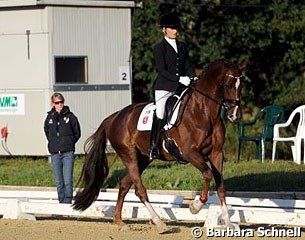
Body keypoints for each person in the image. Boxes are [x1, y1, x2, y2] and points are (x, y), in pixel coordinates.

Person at [149, 12, 195, 160]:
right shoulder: (159, 48)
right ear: (164, 30)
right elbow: (162, 70)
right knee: (161, 112)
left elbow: (187, 65)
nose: (175, 31)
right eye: (172, 28)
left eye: (176, 28)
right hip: (164, 87)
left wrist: (193, 76)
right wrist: (179, 79)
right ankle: (154, 146)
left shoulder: (182, 46)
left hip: (181, 87)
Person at [44, 92, 81, 204]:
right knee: (59, 181)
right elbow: (47, 131)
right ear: (53, 103)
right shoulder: (49, 118)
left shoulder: (70, 116)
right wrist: (53, 143)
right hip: (55, 153)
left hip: (68, 153)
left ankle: (67, 202)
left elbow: (77, 133)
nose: (60, 104)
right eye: (57, 102)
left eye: (61, 102)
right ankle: (61, 202)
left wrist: (69, 142)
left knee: (67, 180)